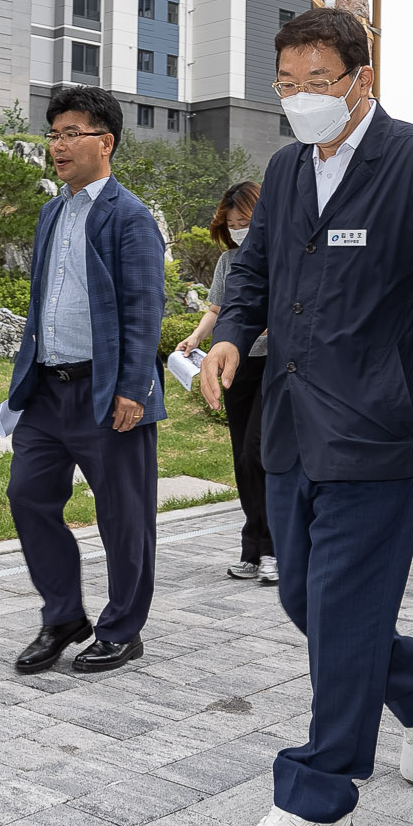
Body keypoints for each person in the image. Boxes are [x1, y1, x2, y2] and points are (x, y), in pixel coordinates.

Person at [200, 7, 413, 826]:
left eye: (318, 82)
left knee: (337, 612)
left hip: (381, 429)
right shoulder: (288, 168)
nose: (301, 99)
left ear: (360, 80)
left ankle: (320, 799)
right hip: (294, 425)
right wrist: (231, 329)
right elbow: (255, 269)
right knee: (305, 598)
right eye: (287, 83)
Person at [3, 86, 169, 675]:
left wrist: (133, 388)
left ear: (107, 141)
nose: (59, 145)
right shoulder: (53, 212)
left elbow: (145, 309)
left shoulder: (130, 218)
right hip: (49, 391)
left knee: (123, 516)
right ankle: (64, 615)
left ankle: (123, 629)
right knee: (27, 494)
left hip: (108, 392)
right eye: (53, 134)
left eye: (72, 133)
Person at [176, 181, 276, 584]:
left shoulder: (281, 255)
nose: (238, 229)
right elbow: (217, 308)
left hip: (275, 364)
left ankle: (274, 549)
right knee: (241, 460)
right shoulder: (229, 262)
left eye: (245, 221)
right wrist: (196, 338)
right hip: (238, 366)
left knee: (259, 454)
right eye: (232, 222)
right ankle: (252, 548)